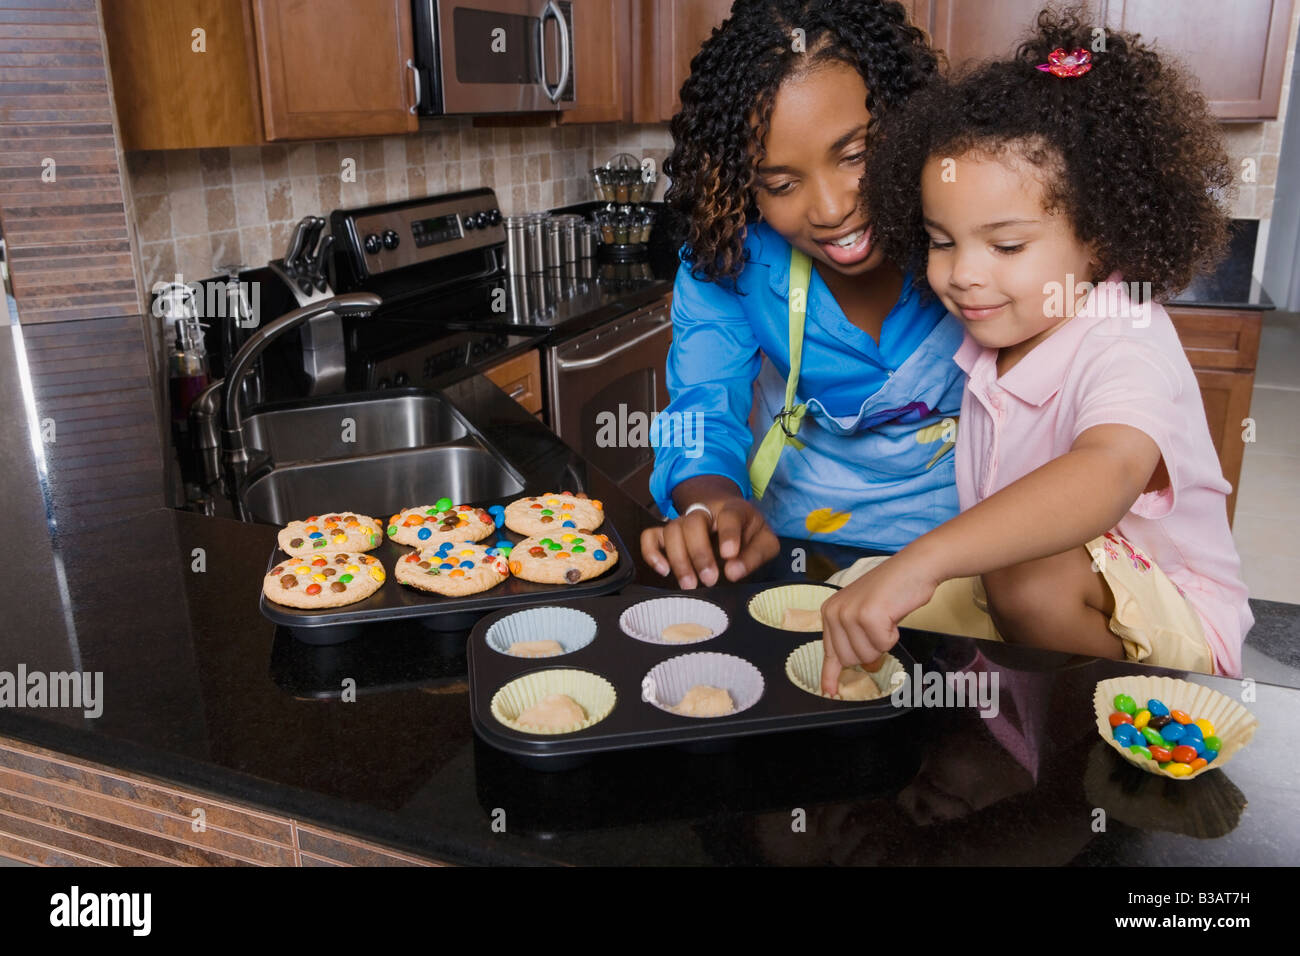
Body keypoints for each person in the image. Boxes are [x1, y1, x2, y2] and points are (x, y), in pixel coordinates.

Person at [820, 8, 1252, 690]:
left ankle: (1076, 745)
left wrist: (926, 559)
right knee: (851, 594)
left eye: (1007, 245)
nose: (963, 273)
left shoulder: (1125, 335)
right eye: (941, 240)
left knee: (1020, 578)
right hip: (1027, 589)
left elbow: (1105, 472)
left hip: (1170, 628)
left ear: (1101, 238)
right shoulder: (1003, 329)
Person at [642, 0, 968, 591]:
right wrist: (709, 504)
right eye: (782, 184)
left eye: (856, 155)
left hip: (969, 554)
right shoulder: (730, 258)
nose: (832, 208)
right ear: (746, 190)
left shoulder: (982, 236)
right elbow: (701, 410)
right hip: (800, 548)